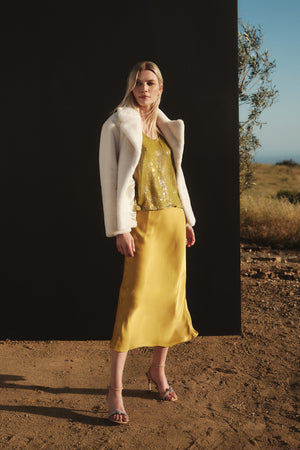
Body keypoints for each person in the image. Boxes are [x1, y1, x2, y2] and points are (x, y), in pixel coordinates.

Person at [99, 61, 198, 424]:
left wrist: (186, 218)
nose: (144, 89)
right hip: (141, 224)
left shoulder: (165, 126)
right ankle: (115, 390)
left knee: (170, 302)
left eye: (150, 83)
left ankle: (158, 371)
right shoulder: (117, 124)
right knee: (135, 300)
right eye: (138, 83)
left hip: (171, 221)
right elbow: (111, 181)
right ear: (131, 87)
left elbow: (176, 176)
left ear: (160, 88)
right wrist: (120, 229)